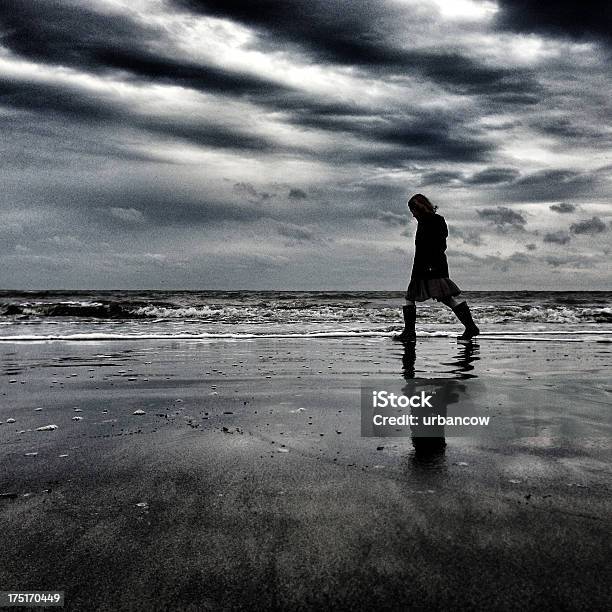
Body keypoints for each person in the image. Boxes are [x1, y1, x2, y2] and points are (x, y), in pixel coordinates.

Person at [394, 193, 480, 342]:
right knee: (434, 298)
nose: (413, 215)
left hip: (430, 267)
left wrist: (429, 266)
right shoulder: (427, 221)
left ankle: (409, 332)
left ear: (419, 208)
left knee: (421, 297)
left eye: (413, 211)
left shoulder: (433, 221)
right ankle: (470, 327)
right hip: (426, 266)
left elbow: (438, 245)